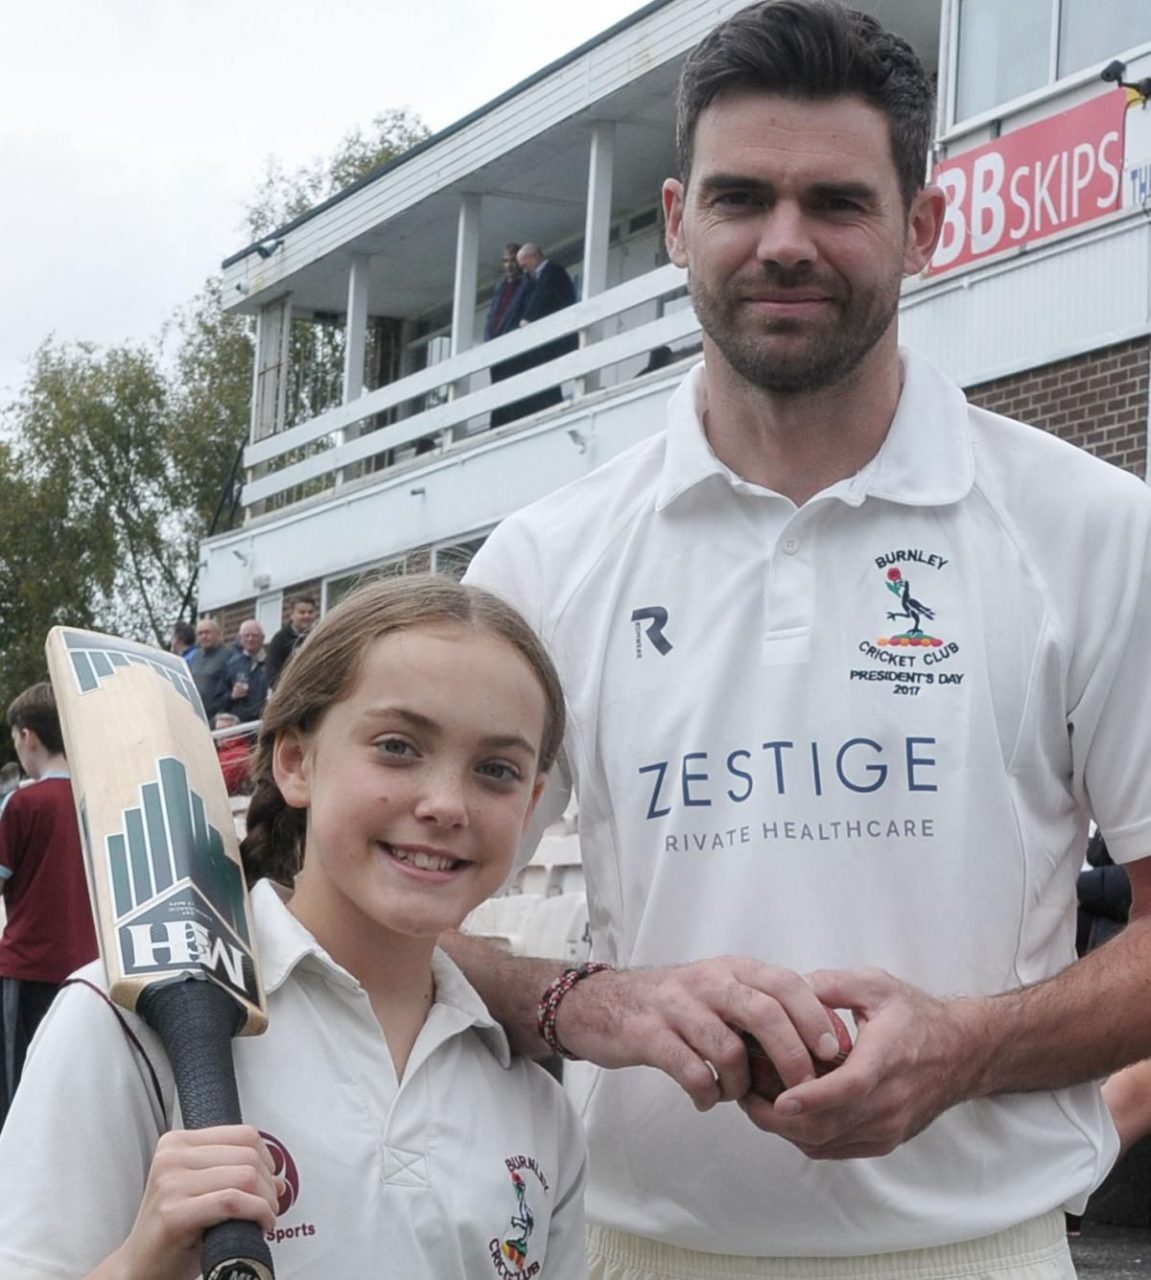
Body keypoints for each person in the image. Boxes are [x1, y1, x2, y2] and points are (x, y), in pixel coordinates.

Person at [457, 2, 1151, 1275]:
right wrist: (589, 1003)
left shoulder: (1092, 532)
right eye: (739, 199)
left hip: (975, 1248)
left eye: (834, 202)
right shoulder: (546, 558)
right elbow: (385, 917)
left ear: (922, 225)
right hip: (633, 1246)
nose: (783, 243)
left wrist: (968, 1045)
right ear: (674, 221)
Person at [0, 575, 587, 1279]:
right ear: (295, 761)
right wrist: (138, 1265)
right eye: (398, 746)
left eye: (495, 769)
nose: (445, 804)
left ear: (532, 805)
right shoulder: (119, 1022)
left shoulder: (537, 1105)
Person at [0, 683, 98, 1128]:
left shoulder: (21, 803)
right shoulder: (99, 798)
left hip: (29, 968)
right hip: (92, 974)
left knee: (21, 1089)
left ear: (28, 736)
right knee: (75, 1087)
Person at [503, 242, 578, 420]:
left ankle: (549, 405)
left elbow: (543, 297)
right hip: (551, 336)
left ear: (534, 257)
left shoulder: (552, 271)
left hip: (559, 335)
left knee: (546, 373)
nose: (524, 270)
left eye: (524, 264)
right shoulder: (537, 278)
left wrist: (527, 319)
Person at [485, 242, 532, 428]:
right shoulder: (500, 288)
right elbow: (492, 316)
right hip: (496, 349)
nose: (509, 265)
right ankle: (497, 426)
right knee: (497, 392)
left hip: (513, 348)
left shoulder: (527, 284)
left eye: (513, 260)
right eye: (505, 261)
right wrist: (488, 340)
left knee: (513, 391)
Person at [265, 593, 317, 688]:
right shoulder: (280, 639)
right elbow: (272, 674)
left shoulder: (318, 636)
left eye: (310, 612)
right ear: (291, 615)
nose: (307, 616)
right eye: (302, 612)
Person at [226, 618, 270, 723]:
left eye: (255, 635)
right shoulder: (232, 664)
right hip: (239, 726)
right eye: (246, 636)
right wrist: (232, 695)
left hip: (263, 723)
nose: (250, 639)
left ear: (262, 638)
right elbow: (219, 698)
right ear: (240, 639)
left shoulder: (272, 662)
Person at [188, 616, 231, 720]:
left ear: (218, 634)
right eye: (200, 633)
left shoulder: (229, 656)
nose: (204, 636)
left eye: (207, 632)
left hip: (219, 718)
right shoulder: (195, 657)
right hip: (196, 716)